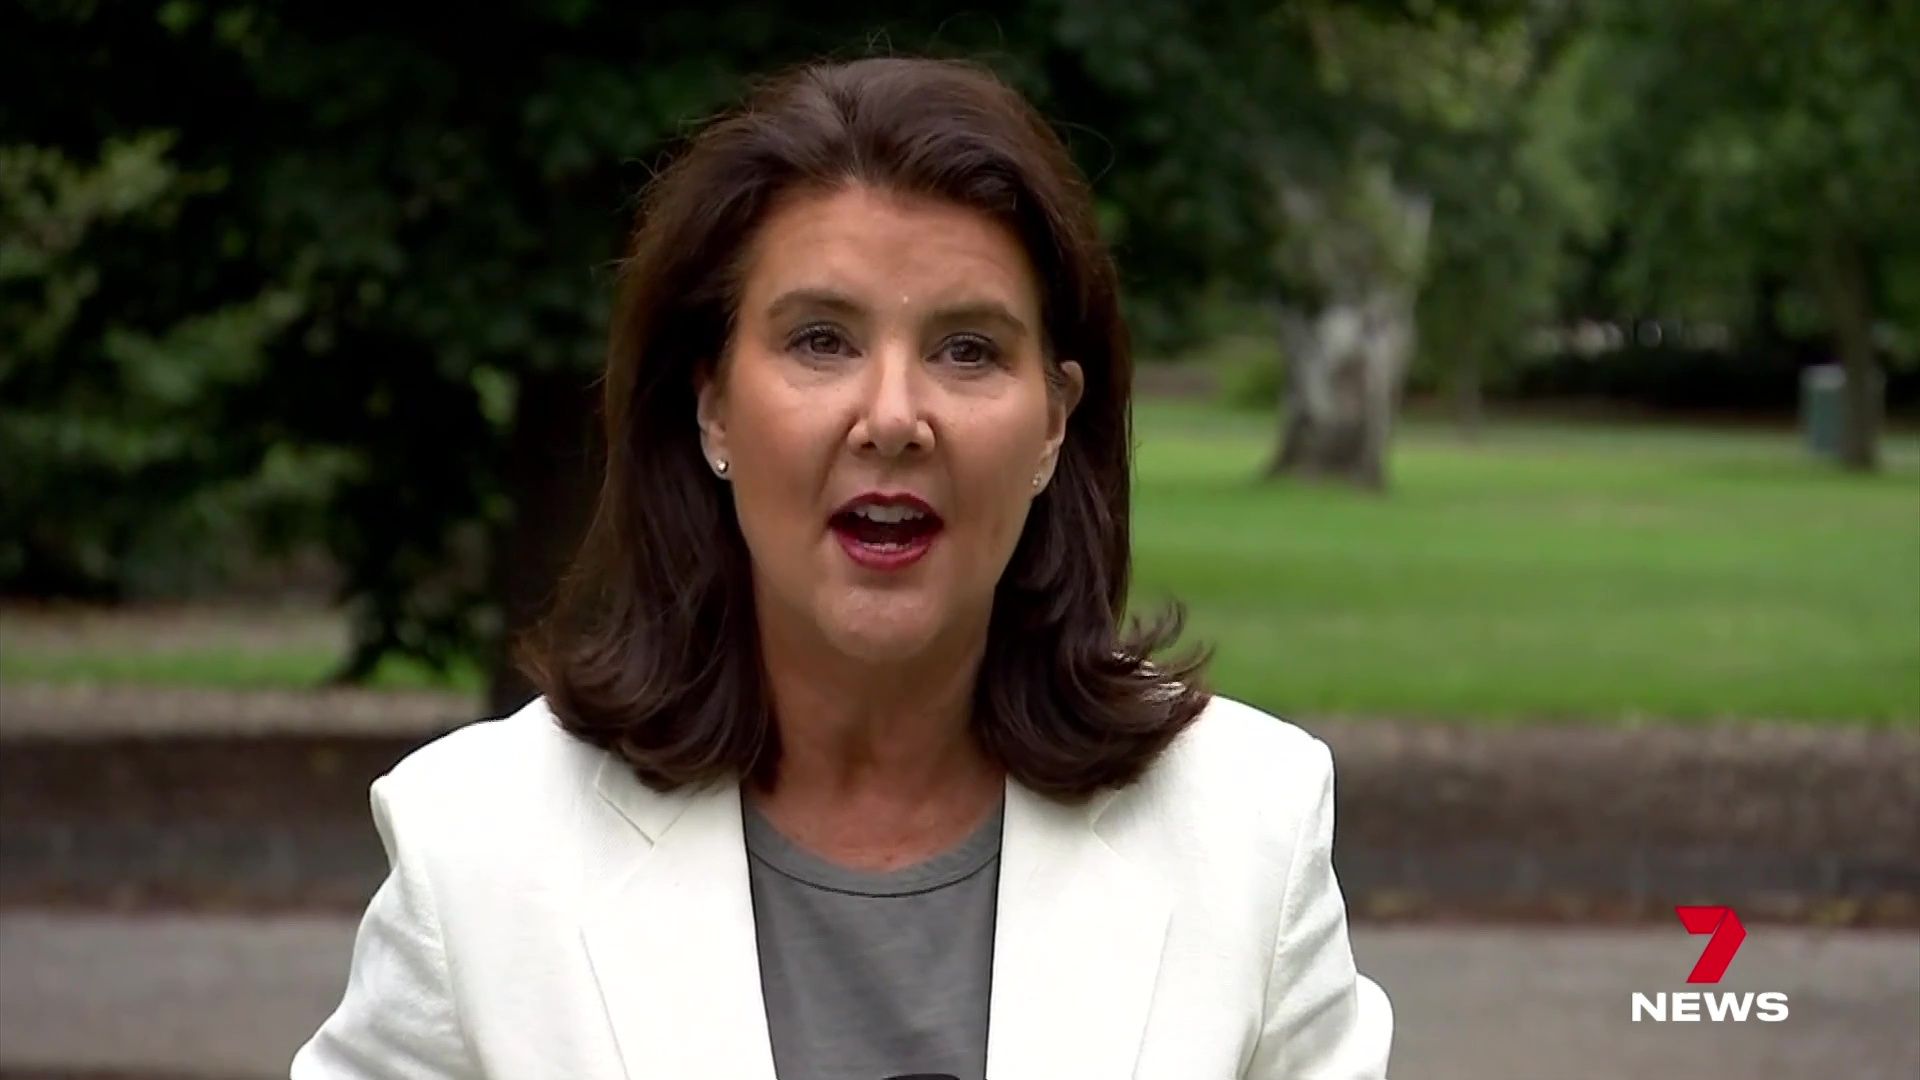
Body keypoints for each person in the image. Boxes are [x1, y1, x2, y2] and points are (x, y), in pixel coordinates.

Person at [292, 55, 1391, 1080]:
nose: (894, 417)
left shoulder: (1248, 832)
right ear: (712, 405)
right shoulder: (478, 849)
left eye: (968, 349)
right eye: (821, 340)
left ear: (1055, 422)